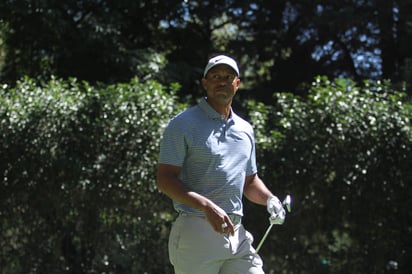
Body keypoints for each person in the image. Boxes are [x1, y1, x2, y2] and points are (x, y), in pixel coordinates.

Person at [156, 54, 287, 274]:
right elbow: (165, 179)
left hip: (237, 232)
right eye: (215, 76)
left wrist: (270, 199)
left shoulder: (245, 130)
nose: (222, 81)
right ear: (205, 84)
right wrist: (206, 206)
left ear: (237, 84)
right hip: (196, 230)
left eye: (228, 76)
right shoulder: (182, 124)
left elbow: (249, 181)